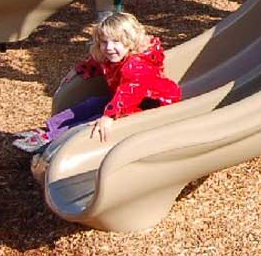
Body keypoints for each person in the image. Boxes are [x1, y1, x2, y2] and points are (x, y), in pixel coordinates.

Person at [12, 11, 181, 153]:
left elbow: (130, 91)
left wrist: (109, 117)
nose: (109, 47)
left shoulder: (137, 65)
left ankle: (56, 141)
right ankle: (50, 131)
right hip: (125, 100)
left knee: (96, 117)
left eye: (116, 42)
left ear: (131, 42)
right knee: (92, 104)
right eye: (104, 42)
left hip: (152, 105)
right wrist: (79, 70)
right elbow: (96, 62)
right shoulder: (113, 56)